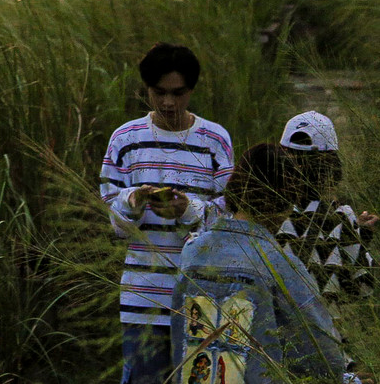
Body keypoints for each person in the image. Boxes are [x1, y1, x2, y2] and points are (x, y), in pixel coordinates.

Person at [171, 142, 370, 384]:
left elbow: (181, 341)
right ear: (285, 203)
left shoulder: (192, 252)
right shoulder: (282, 266)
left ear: (235, 188)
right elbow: (322, 358)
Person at [101, 43, 234, 384]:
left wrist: (188, 210)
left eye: (178, 93)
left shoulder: (214, 140)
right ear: (146, 89)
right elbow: (114, 222)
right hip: (142, 298)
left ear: (192, 90)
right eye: (159, 93)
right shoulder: (126, 140)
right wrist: (132, 203)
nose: (168, 103)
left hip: (202, 295)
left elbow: (230, 219)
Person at [275, 110, 378, 300]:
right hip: (322, 317)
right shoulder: (340, 215)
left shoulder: (268, 210)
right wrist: (361, 235)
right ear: (331, 163)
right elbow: (364, 286)